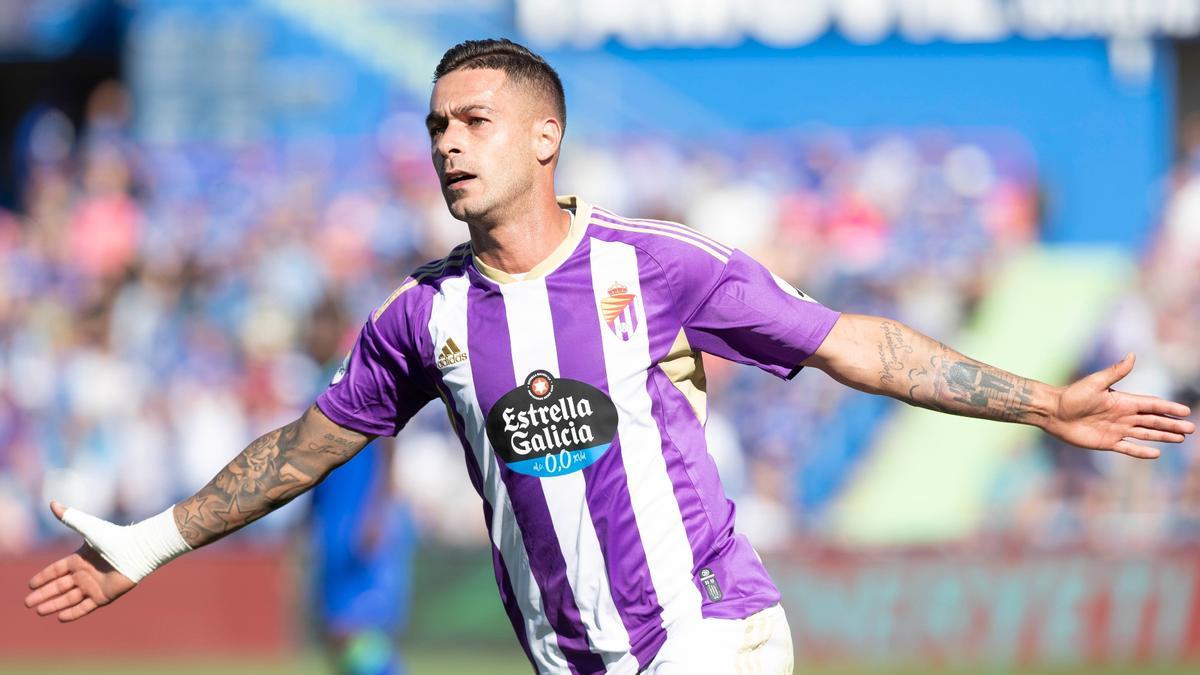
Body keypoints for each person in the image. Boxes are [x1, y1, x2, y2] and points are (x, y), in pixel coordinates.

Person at [24, 39, 1196, 675]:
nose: (447, 144)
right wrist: (153, 540)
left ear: (546, 136)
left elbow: (858, 346)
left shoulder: (662, 266)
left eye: (473, 121)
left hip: (711, 636)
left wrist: (1043, 404)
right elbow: (303, 449)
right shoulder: (421, 318)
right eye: (435, 126)